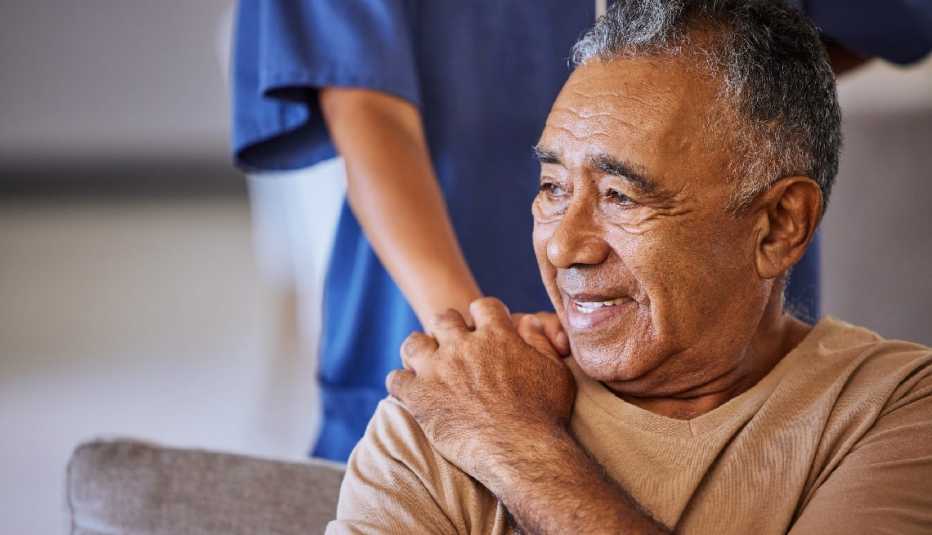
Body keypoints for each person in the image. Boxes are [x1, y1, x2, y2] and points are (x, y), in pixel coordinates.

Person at [327, 2, 932, 533]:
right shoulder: (451, 407)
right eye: (552, 187)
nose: (565, 247)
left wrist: (515, 447)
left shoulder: (894, 409)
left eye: (620, 196)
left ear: (778, 225)